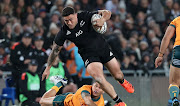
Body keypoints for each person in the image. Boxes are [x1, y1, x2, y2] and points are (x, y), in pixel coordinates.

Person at [42, 6, 134, 105]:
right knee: (99, 78)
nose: (69, 22)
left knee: (118, 75)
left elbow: (107, 12)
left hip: (103, 48)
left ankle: (122, 81)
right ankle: (119, 102)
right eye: (66, 21)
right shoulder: (64, 31)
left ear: (76, 16)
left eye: (70, 19)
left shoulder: (85, 16)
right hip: (89, 55)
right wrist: (48, 68)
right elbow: (55, 50)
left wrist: (102, 20)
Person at [40, 77, 126, 106]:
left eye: (100, 88)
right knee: (42, 101)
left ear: (104, 91)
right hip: (65, 102)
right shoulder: (86, 88)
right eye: (96, 86)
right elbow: (87, 101)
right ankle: (60, 83)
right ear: (92, 85)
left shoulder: (101, 102)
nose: (96, 89)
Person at [155, 16, 180, 106]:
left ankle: (174, 99)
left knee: (174, 83)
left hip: (179, 50)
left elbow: (166, 38)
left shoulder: (177, 20)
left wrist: (160, 55)